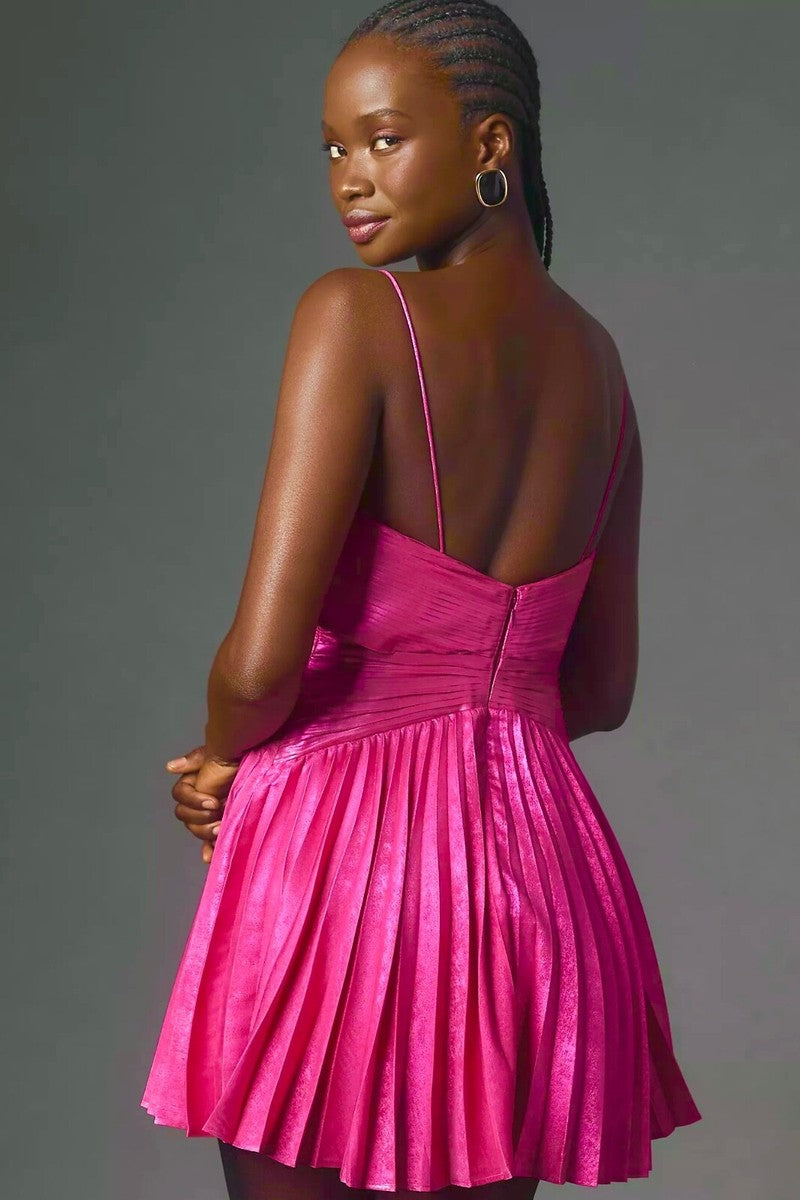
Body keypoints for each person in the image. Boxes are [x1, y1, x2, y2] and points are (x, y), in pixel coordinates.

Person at [140, 2, 703, 1197]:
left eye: (384, 138)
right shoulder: (600, 369)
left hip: (341, 861)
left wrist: (220, 760)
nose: (350, 178)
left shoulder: (354, 316)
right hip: (536, 871)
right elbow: (600, 689)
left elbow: (259, 664)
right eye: (333, 147)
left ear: (490, 146)